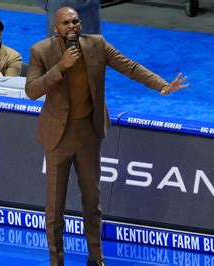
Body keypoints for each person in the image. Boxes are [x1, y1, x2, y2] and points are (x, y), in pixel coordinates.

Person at [25, 7, 188, 266]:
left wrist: (161, 85)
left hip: (89, 135)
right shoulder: (41, 51)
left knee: (93, 202)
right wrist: (61, 67)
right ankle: (56, 262)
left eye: (75, 21)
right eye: (66, 22)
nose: (72, 26)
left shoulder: (97, 44)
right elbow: (32, 91)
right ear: (55, 28)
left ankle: (96, 259)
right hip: (58, 138)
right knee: (54, 210)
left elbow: (129, 67)